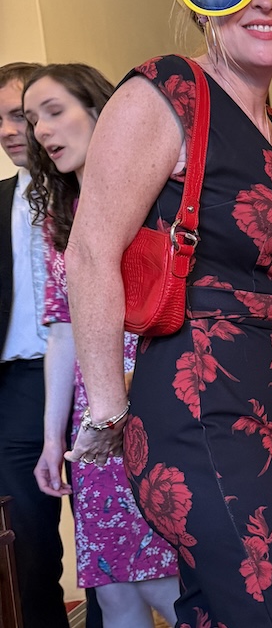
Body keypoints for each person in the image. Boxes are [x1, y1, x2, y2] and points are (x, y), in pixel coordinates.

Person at [62, 0, 272, 623]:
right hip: (198, 405)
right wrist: (107, 411)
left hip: (269, 401)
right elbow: (91, 248)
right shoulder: (167, 91)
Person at [24, 63, 180, 627]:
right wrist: (51, 439)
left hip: (156, 401)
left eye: (54, 111)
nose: (40, 131)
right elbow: (63, 332)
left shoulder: (161, 195)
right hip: (96, 424)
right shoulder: (60, 218)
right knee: (113, 593)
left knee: (169, 584)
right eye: (31, 118)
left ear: (102, 112)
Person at [0, 62, 71, 628]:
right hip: (21, 386)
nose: (9, 129)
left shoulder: (97, 187)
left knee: (119, 537)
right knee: (27, 545)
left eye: (19, 113)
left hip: (107, 376)